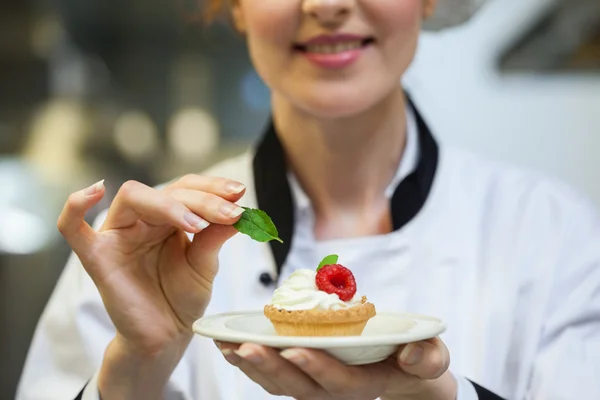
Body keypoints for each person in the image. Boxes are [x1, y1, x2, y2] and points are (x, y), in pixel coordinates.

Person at [16, 0, 600, 399]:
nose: (325, 4)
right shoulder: (141, 253)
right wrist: (135, 369)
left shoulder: (554, 235)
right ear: (237, 7)